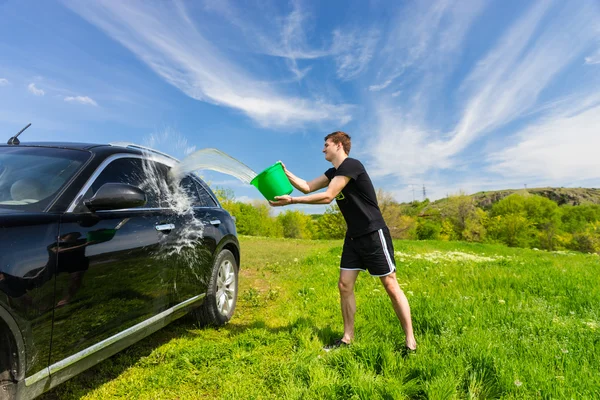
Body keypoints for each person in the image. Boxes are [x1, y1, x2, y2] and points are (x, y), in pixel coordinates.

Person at [270, 131, 417, 354]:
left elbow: (328, 196)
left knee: (390, 285)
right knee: (344, 285)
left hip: (372, 232)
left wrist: (292, 201)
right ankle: (347, 338)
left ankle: (410, 343)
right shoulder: (333, 172)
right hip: (353, 236)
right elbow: (309, 186)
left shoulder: (351, 165)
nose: (323, 149)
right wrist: (285, 172)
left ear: (339, 145)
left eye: (326, 145)